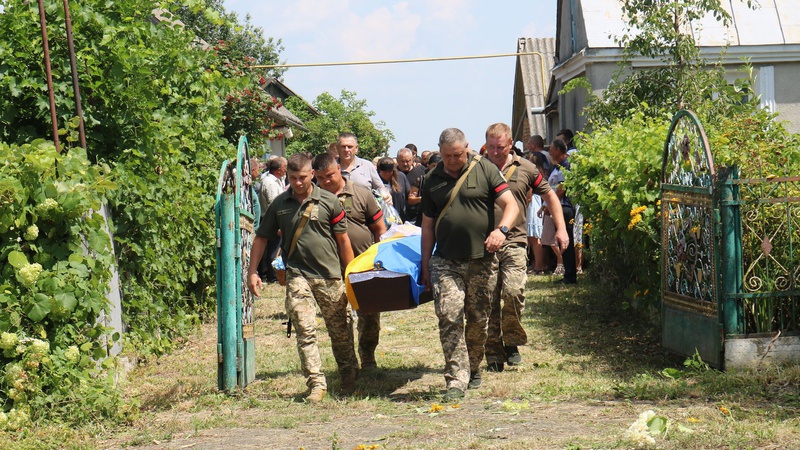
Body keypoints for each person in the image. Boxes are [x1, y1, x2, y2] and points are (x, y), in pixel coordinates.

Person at [247, 153, 358, 403]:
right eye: (293, 178)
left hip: (329, 276)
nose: (298, 182)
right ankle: (316, 383)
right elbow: (261, 238)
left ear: (312, 176)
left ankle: (348, 373)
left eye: (303, 177)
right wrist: (252, 271)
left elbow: (343, 241)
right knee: (305, 330)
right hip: (298, 275)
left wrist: (350, 275)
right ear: (287, 176)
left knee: (341, 330)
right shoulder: (279, 204)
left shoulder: (330, 201)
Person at [419, 127, 519, 402]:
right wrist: (426, 264)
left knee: (477, 320)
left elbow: (511, 205)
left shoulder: (485, 169)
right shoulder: (431, 179)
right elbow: (427, 226)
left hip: (481, 261)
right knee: (449, 315)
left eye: (458, 154)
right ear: (440, 152)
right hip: (446, 261)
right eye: (447, 155)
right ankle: (455, 379)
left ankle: (473, 366)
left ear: (467, 148)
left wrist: (501, 231)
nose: (453, 160)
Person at [483, 123, 568, 372]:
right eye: (491, 147)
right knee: (488, 298)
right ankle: (493, 353)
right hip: (484, 242)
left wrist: (561, 229)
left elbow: (550, 195)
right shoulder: (478, 168)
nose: (495, 152)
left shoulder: (527, 168)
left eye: (500, 147)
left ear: (510, 145)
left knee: (513, 292)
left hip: (515, 240)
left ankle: (512, 340)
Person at [312, 154, 387, 370]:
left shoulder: (361, 193)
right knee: (339, 319)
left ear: (338, 168)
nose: (326, 182)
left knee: (369, 316)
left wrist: (377, 257)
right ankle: (347, 363)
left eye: (330, 176)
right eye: (320, 178)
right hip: (330, 269)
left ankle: (368, 357)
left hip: (362, 266)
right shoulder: (313, 198)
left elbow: (379, 229)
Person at [545, 139, 578, 284]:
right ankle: (568, 274)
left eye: (551, 149)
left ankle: (570, 276)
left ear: (558, 150)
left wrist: (550, 204)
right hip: (559, 208)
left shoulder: (567, 166)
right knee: (563, 242)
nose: (549, 152)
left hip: (565, 208)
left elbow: (562, 188)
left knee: (567, 242)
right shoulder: (558, 167)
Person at [257, 156, 287, 282]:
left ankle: (271, 274)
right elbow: (272, 204)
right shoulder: (269, 182)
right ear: (279, 169)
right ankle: (272, 276)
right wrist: (278, 224)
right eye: (285, 167)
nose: (286, 170)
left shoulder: (277, 180)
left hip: (276, 218)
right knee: (273, 249)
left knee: (274, 248)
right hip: (272, 218)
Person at [377, 156, 411, 223]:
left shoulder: (400, 177)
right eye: (384, 171)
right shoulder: (376, 179)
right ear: (379, 170)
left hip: (399, 218)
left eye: (389, 171)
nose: (387, 173)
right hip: (381, 219)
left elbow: (408, 196)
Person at [396, 148, 426, 223]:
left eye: (407, 161)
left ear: (412, 160)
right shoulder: (393, 174)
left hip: (415, 217)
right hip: (397, 217)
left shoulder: (420, 173)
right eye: (402, 161)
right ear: (397, 160)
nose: (405, 164)